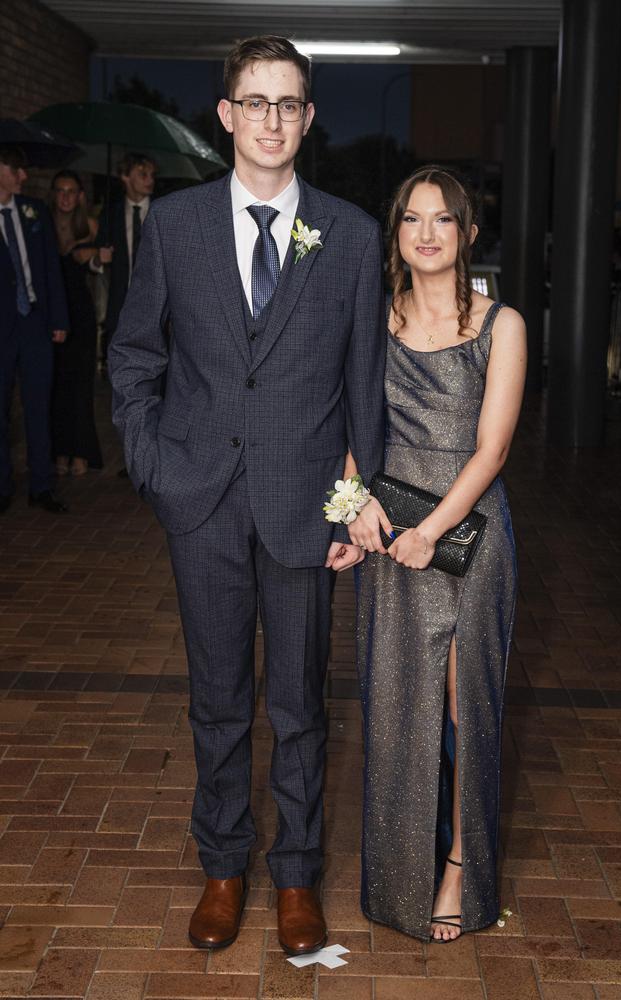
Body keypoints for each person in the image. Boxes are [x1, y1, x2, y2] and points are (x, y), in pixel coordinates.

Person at [109, 35, 385, 955]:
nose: (272, 120)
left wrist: (355, 508)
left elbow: (362, 384)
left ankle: (296, 875)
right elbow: (136, 355)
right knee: (219, 699)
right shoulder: (177, 228)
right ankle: (224, 865)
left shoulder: (348, 234)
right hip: (202, 503)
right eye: (255, 102)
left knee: (302, 703)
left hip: (308, 511)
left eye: (289, 103)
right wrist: (154, 465)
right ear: (225, 114)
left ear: (308, 117)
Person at [349, 166, 526, 942]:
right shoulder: (372, 319)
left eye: (442, 220)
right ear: (396, 234)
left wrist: (432, 532)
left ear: (467, 234)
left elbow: (490, 452)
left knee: (462, 705)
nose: (426, 234)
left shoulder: (502, 325)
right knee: (395, 705)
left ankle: (459, 864)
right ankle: (397, 873)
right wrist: (350, 513)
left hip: (469, 535)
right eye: (411, 220)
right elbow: (349, 434)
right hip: (392, 537)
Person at [0, 145, 69, 514]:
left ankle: (41, 486)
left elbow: (49, 270)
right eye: (15, 168)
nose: (22, 176)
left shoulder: (33, 212)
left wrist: (58, 319)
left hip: (35, 325)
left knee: (39, 407)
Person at [49, 170, 106, 475]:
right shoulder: (43, 226)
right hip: (50, 317)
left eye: (72, 191)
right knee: (56, 386)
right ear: (54, 194)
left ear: (80, 195)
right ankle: (59, 451)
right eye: (60, 191)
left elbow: (103, 263)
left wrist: (95, 256)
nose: (66, 197)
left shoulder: (91, 227)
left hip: (80, 316)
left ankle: (82, 452)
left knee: (81, 386)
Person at [98, 151, 156, 349]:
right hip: (120, 303)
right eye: (142, 174)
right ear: (125, 176)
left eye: (151, 175)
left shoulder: (163, 211)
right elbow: (98, 255)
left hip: (156, 305)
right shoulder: (110, 214)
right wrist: (99, 258)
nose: (149, 180)